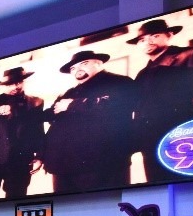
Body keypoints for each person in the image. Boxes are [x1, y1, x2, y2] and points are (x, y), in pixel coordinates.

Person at [128, 19, 193, 182]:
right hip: (152, 145)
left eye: (154, 36)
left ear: (169, 35)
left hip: (187, 137)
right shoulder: (142, 74)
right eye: (142, 40)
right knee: (159, 186)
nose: (148, 42)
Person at [43, 50, 135, 192]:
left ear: (98, 63)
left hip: (102, 164)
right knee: (67, 205)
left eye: (84, 63)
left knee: (104, 203)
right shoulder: (70, 92)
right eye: (73, 68)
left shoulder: (120, 82)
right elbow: (53, 117)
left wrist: (72, 105)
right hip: (64, 166)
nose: (77, 69)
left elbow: (115, 106)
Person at [0, 67, 45, 198]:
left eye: (18, 82)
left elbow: (38, 129)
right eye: (10, 84)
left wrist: (40, 156)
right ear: (3, 86)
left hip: (20, 160)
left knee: (16, 199)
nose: (15, 86)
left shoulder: (36, 102)